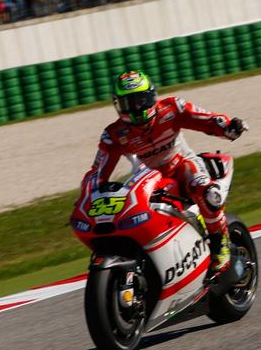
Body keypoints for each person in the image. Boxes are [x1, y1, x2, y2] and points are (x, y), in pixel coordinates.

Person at [83, 70, 248, 271]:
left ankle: (220, 244)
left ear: (151, 96)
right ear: (118, 105)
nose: (136, 107)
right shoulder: (115, 134)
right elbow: (98, 171)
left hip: (182, 166)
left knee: (206, 191)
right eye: (128, 103)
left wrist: (228, 126)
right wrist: (88, 194)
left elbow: (205, 118)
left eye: (140, 100)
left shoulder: (172, 109)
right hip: (146, 179)